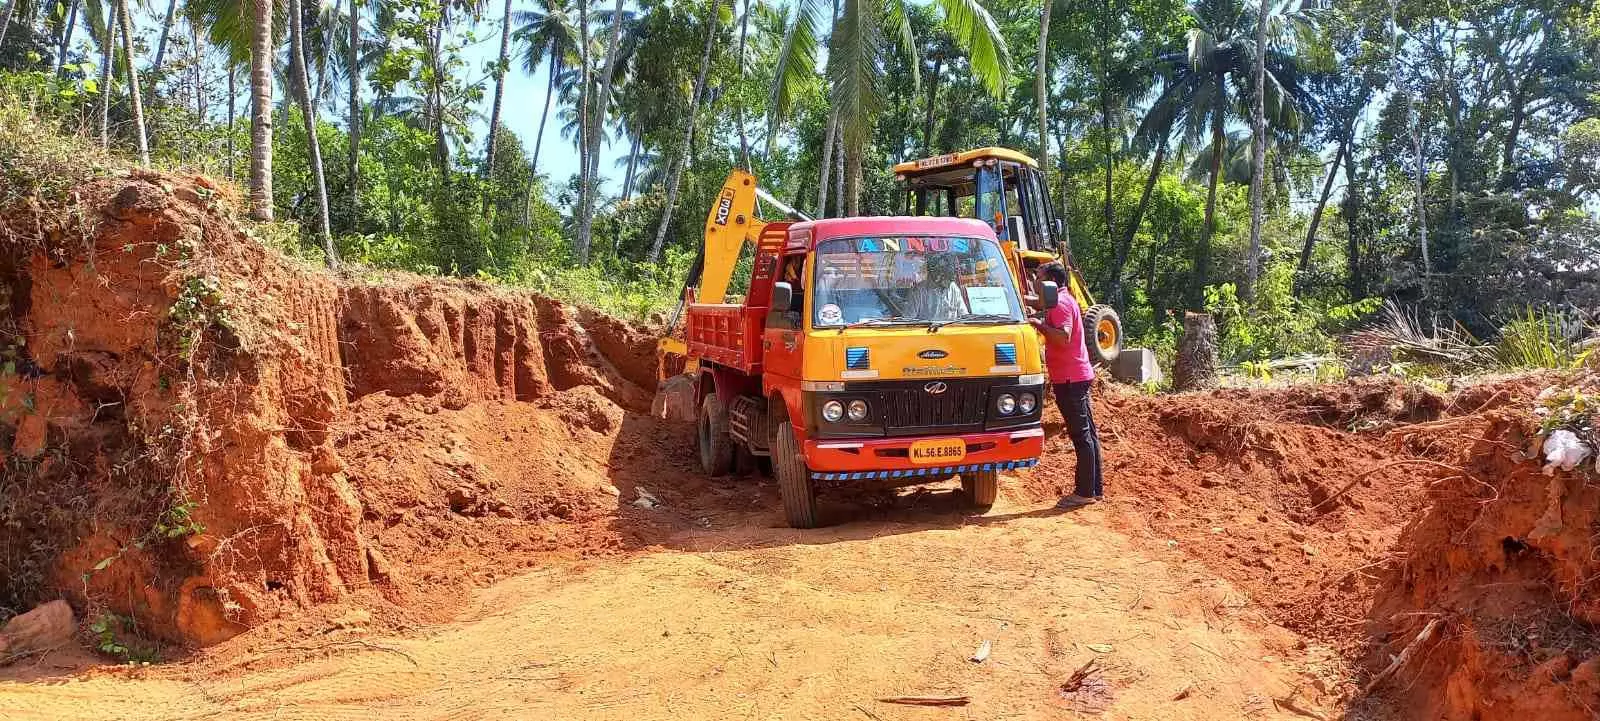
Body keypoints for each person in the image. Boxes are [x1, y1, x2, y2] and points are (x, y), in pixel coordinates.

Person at [1029, 262, 1103, 509]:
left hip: (1070, 379)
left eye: (1038, 278)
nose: (1035, 282)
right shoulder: (1061, 298)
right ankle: (1094, 489)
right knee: (1089, 434)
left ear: (1050, 282)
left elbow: (1063, 336)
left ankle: (1084, 492)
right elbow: (1040, 303)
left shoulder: (1059, 303)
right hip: (1076, 376)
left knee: (1081, 436)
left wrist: (1039, 325)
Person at [906, 253, 967, 320]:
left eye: (950, 278)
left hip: (951, 326)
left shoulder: (953, 287)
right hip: (926, 326)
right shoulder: (919, 291)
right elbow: (908, 320)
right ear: (936, 274)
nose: (950, 281)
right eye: (946, 277)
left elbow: (964, 314)